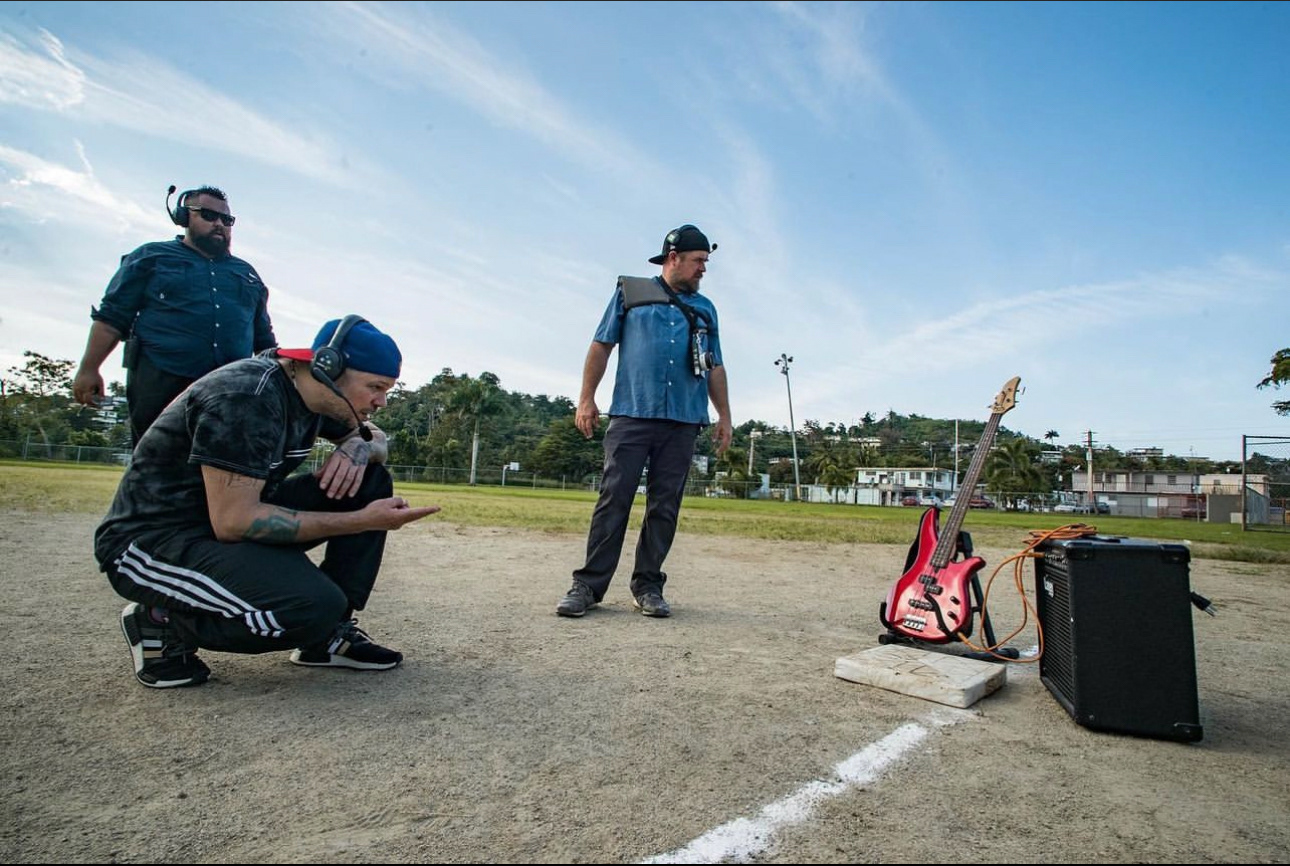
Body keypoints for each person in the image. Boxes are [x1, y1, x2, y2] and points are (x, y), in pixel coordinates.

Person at [94, 315, 440, 689]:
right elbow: (235, 522)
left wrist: (357, 446)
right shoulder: (247, 396)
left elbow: (377, 440)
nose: (382, 401)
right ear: (328, 368)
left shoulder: (313, 395)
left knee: (369, 480)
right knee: (311, 606)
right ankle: (161, 623)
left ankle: (329, 636)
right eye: (375, 386)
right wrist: (363, 520)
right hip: (153, 541)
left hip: (219, 524)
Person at [557, 224, 732, 619]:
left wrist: (724, 415)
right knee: (613, 500)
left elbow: (715, 366)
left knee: (665, 506)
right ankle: (587, 586)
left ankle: (648, 586)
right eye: (698, 261)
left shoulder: (706, 308)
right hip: (633, 414)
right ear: (674, 258)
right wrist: (586, 399)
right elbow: (601, 345)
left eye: (705, 261)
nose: (703, 269)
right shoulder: (631, 293)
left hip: (684, 419)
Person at [73, 185, 277, 444]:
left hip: (228, 388)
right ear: (183, 217)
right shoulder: (151, 257)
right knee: (154, 464)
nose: (219, 224)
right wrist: (89, 368)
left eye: (226, 220)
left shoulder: (247, 274)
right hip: (160, 378)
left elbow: (264, 342)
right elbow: (112, 318)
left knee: (218, 470)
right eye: (208, 215)